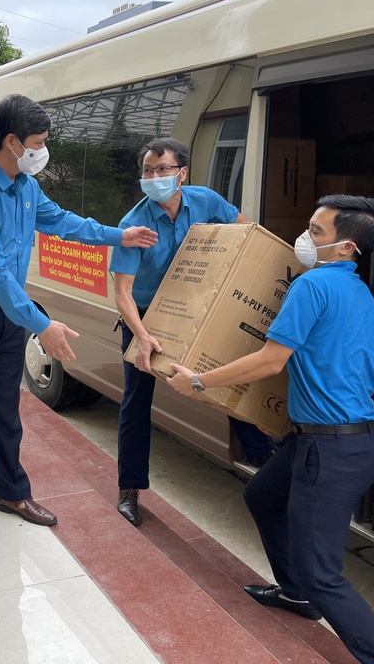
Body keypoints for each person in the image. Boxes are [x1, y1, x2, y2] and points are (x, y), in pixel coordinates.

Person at [167, 196, 374, 664]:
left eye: (316, 232)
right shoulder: (360, 294)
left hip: (332, 450)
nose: (304, 238)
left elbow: (271, 360)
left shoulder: (313, 285)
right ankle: (296, 594)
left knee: (325, 575)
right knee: (262, 496)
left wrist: (197, 381)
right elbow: (330, 367)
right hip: (334, 439)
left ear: (346, 248)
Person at [0, 94, 157, 555]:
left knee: (5, 411)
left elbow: (64, 223)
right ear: (11, 142)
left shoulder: (25, 187)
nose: (42, 150)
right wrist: (42, 324)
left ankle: (11, 492)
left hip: (6, 318)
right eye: (37, 142)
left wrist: (118, 235)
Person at [109, 137, 270, 526]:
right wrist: (143, 336)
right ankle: (129, 489)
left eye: (162, 169)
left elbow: (247, 232)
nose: (154, 177)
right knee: (135, 402)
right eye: (148, 171)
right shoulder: (134, 224)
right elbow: (123, 294)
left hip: (199, 307)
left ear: (182, 173)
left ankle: (269, 468)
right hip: (146, 317)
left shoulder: (206, 201)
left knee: (226, 383)